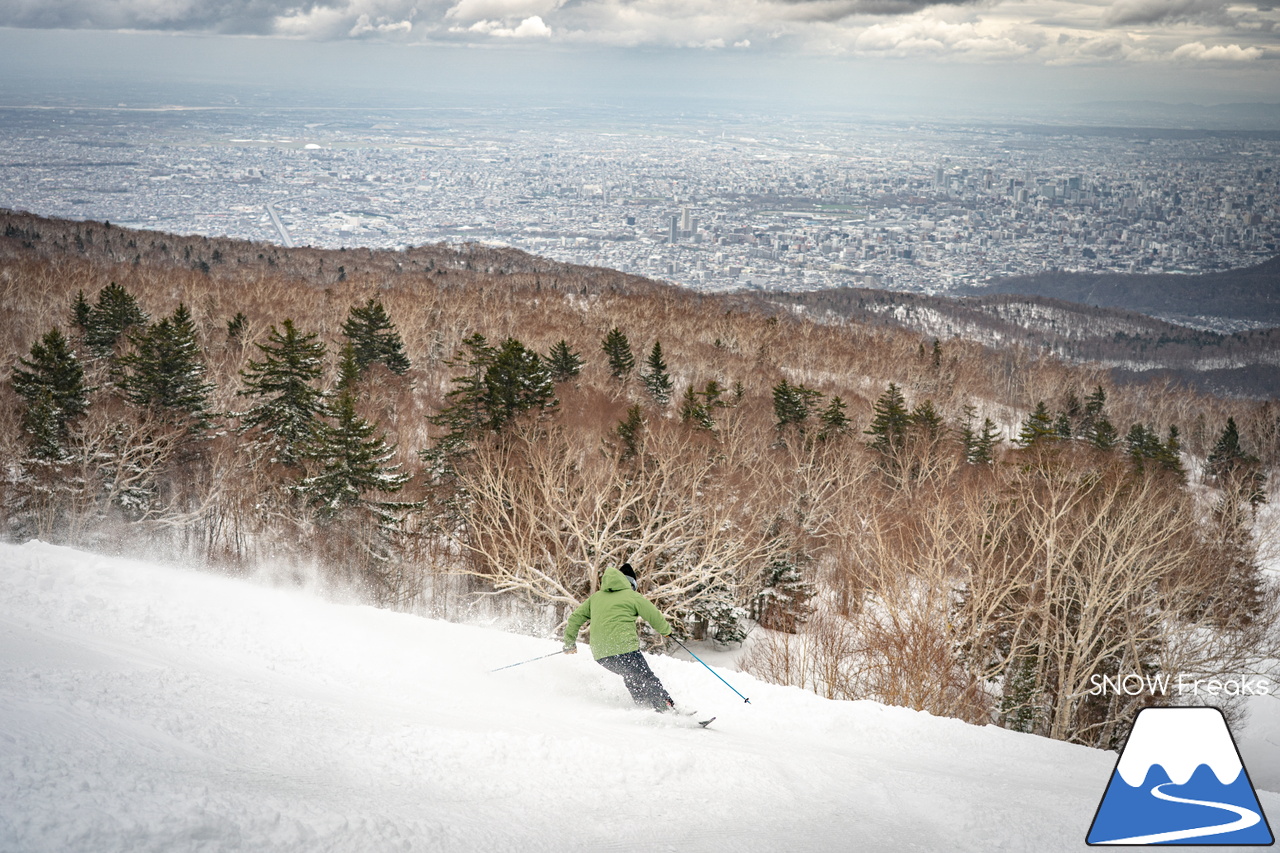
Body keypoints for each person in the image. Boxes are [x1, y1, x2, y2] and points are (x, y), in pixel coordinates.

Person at [563, 562, 676, 712]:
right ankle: (666, 707)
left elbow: (574, 619)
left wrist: (569, 643)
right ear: (632, 583)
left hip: (601, 654)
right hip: (624, 649)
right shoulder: (632, 596)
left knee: (632, 677)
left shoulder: (595, 598)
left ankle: (645, 707)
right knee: (645, 677)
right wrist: (666, 630)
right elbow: (653, 614)